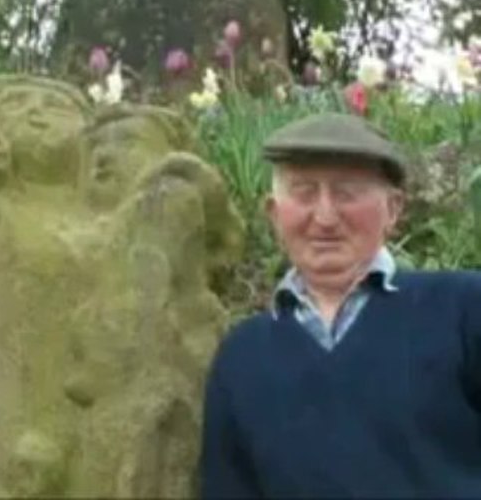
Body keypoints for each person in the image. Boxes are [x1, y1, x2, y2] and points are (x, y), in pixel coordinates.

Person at [199, 112, 481, 498]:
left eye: (346, 193)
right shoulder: (241, 357)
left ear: (393, 209)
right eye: (304, 193)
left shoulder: (463, 310)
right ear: (274, 214)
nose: (325, 216)